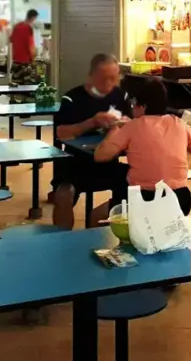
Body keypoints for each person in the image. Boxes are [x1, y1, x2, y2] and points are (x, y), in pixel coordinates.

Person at [90, 78, 191, 224]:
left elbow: (100, 156)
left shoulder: (134, 126)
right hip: (180, 200)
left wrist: (114, 127)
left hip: (144, 199)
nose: (132, 107)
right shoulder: (178, 122)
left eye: (133, 103)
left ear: (142, 106)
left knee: (95, 216)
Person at [51, 54, 131, 230]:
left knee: (138, 180)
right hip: (76, 165)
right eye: (104, 79)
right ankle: (60, 240)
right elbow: (61, 133)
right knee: (64, 194)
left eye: (114, 78)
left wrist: (124, 123)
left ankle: (110, 219)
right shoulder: (72, 99)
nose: (110, 83)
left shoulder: (121, 96)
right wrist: (93, 122)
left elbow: (132, 125)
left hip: (109, 162)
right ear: (92, 76)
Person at [10, 9, 40, 87]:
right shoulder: (28, 28)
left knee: (16, 88)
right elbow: (31, 47)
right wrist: (33, 60)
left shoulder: (16, 26)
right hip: (25, 64)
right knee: (28, 88)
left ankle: (14, 99)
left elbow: (11, 40)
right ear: (34, 17)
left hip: (16, 64)